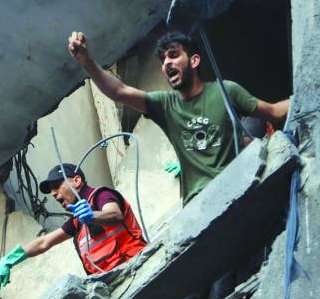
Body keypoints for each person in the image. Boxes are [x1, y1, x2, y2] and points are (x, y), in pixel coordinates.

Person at [67, 29, 289, 205]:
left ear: (194, 61)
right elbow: (119, 92)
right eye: (163, 59)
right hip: (198, 204)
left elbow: (275, 112)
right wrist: (87, 62)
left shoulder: (226, 90)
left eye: (173, 55)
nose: (166, 63)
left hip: (237, 189)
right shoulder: (164, 104)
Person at [0, 163, 146, 289]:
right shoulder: (76, 221)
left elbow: (115, 214)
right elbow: (44, 242)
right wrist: (10, 259)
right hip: (113, 285)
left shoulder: (101, 196)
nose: (53, 194)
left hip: (138, 270)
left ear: (76, 181)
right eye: (51, 191)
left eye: (57, 186)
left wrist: (92, 216)